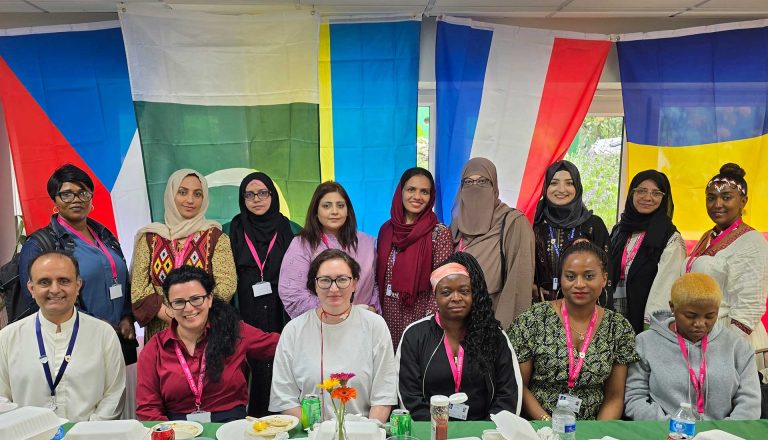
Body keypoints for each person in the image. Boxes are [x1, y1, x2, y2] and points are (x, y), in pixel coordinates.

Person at [16, 165, 137, 418]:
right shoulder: (41, 243)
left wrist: (127, 316)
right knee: (83, 410)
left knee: (116, 407)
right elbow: (38, 298)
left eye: (83, 193)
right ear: (55, 201)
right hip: (73, 343)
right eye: (67, 194)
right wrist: (93, 324)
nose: (76, 200)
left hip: (118, 341)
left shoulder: (105, 235)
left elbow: (123, 280)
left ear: (91, 198)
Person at [507, 241, 639, 420]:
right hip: (540, 425)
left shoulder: (618, 327)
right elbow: (519, 386)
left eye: (589, 276)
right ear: (560, 278)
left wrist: (597, 434)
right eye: (570, 276)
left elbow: (614, 396)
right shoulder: (533, 319)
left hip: (594, 427)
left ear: (604, 278)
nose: (579, 284)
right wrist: (549, 426)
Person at [136, 266, 279, 422]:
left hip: (230, 427)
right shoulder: (154, 348)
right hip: (179, 430)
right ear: (169, 307)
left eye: (196, 299)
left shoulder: (234, 331)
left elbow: (283, 346)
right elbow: (148, 409)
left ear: (209, 299)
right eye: (178, 302)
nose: (189, 308)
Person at [270, 249, 397, 422]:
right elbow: (284, 398)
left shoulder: (375, 325)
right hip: (311, 433)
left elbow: (384, 395)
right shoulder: (294, 330)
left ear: (355, 283)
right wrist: (317, 432)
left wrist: (368, 431)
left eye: (342, 279)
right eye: (325, 280)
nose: (334, 288)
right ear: (314, 285)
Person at [0, 251, 125, 421]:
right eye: (44, 282)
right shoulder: (8, 338)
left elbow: (114, 395)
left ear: (78, 285)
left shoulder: (103, 334)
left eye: (64, 281)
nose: (55, 289)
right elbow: (2, 400)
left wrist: (88, 433)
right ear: (31, 289)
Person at [397, 252, 522, 421]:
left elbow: (508, 396)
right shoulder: (414, 335)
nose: (456, 298)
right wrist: (436, 431)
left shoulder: (494, 335)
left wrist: (485, 433)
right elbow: (410, 397)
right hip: (431, 431)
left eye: (464, 291)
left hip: (484, 433)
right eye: (446, 292)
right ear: (435, 297)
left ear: (474, 294)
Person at [625, 273, 760, 420]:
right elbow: (634, 398)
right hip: (664, 432)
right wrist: (672, 427)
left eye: (710, 316)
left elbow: (749, 402)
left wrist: (722, 432)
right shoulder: (646, 342)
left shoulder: (737, 345)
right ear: (673, 307)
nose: (700, 324)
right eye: (690, 316)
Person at [131, 169, 236, 341]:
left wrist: (194, 313)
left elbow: (226, 285)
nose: (190, 200)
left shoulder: (216, 238)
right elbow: (138, 289)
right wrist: (170, 315)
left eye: (197, 194)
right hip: (162, 331)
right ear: (171, 195)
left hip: (204, 330)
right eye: (182, 192)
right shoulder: (150, 237)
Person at [229, 172, 295, 417]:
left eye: (262, 193)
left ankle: (283, 418)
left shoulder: (290, 229)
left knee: (279, 361)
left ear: (272, 195)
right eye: (249, 194)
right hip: (244, 310)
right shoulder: (231, 230)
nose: (256, 199)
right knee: (248, 365)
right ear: (242, 198)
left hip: (281, 311)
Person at [684, 163, 768, 350]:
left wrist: (725, 348)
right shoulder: (708, 236)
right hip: (699, 333)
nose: (717, 204)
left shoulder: (752, 242)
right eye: (711, 198)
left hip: (731, 340)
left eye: (726, 197)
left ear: (743, 201)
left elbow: (750, 306)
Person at [450, 157, 535, 329]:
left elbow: (518, 283)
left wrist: (500, 332)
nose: (475, 187)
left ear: (494, 187)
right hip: (455, 324)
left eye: (482, 181)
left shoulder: (513, 223)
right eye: (468, 182)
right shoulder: (455, 227)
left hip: (492, 322)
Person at [279, 181, 379, 318]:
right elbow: (292, 293)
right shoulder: (302, 244)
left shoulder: (368, 243)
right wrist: (337, 314)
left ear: (348, 211)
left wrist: (372, 309)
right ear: (315, 212)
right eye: (326, 206)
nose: (334, 212)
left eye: (340, 205)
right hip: (320, 325)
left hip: (363, 322)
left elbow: (377, 285)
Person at [377, 167, 453, 347]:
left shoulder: (439, 233)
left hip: (422, 317)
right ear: (400, 192)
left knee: (416, 368)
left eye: (424, 191)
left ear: (431, 196)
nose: (417, 197)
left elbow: (442, 284)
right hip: (387, 316)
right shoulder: (386, 230)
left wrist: (429, 325)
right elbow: (377, 276)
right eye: (411, 189)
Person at [608, 170, 686, 334]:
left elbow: (666, 287)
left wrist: (653, 327)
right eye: (641, 191)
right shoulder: (619, 230)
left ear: (664, 198)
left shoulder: (670, 238)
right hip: (611, 316)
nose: (648, 198)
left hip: (644, 321)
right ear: (632, 194)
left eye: (656, 193)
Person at [533, 160, 610, 303]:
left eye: (569, 183)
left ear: (578, 187)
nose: (561, 189)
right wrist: (532, 287)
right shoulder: (535, 224)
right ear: (545, 187)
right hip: (542, 307)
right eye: (554, 183)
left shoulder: (593, 224)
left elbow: (606, 271)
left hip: (585, 307)